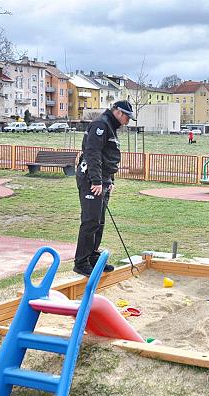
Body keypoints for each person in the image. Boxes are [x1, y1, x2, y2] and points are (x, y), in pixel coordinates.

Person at [73, 100, 136, 276]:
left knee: (99, 221)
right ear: (117, 111)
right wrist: (96, 181)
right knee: (90, 220)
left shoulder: (111, 127)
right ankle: (81, 261)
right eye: (126, 116)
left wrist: (110, 180)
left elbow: (109, 157)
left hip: (103, 180)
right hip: (90, 179)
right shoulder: (100, 125)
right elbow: (92, 153)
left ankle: (93, 257)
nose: (127, 121)